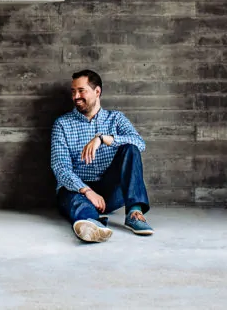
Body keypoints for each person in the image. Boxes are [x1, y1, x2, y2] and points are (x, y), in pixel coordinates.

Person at [50, 69, 154, 243]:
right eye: (73, 91)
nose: (76, 96)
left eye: (81, 90)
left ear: (97, 91)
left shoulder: (116, 118)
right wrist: (87, 190)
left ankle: (134, 213)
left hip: (109, 193)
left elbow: (140, 143)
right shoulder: (62, 124)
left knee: (131, 148)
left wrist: (104, 139)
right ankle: (92, 224)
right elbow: (60, 167)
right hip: (77, 190)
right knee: (76, 200)